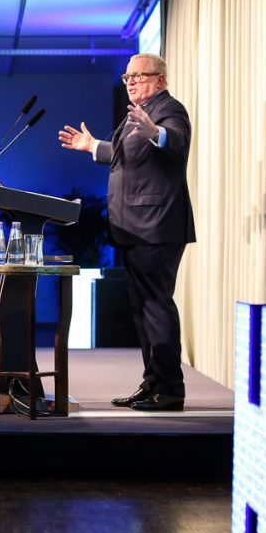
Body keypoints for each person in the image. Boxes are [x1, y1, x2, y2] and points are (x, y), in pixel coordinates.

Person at [58, 52, 195, 412]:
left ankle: (170, 389)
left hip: (157, 226)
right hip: (135, 227)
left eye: (139, 76)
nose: (131, 82)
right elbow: (125, 155)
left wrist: (156, 134)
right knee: (143, 310)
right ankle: (152, 384)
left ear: (160, 80)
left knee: (156, 307)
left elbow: (175, 140)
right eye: (127, 78)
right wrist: (92, 146)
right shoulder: (138, 113)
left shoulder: (169, 110)